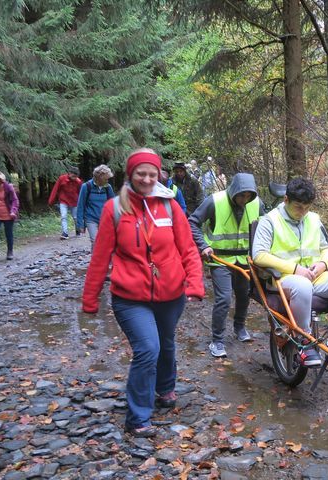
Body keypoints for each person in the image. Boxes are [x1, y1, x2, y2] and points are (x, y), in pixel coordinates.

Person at [82, 148, 204, 437]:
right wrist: (90, 299)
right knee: (148, 349)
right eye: (141, 173)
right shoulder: (114, 209)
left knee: (166, 342)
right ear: (131, 175)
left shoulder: (170, 206)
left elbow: (187, 248)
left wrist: (195, 283)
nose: (147, 179)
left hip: (171, 293)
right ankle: (138, 417)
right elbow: (100, 258)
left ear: (158, 174)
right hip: (130, 296)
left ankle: (165, 388)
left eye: (152, 173)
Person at [252, 177, 328, 367]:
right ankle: (304, 339)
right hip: (283, 279)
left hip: (313, 275)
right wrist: (295, 269)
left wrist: (322, 265)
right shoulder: (270, 221)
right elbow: (259, 255)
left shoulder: (314, 219)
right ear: (286, 200)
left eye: (307, 207)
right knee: (302, 286)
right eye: (298, 207)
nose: (303, 212)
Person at [189, 173, 264, 358]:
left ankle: (239, 327)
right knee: (223, 299)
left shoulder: (256, 204)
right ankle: (218, 340)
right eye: (241, 196)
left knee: (244, 295)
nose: (244, 200)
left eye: (248, 196)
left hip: (245, 260)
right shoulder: (214, 201)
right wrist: (203, 245)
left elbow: (266, 227)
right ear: (233, 191)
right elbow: (193, 223)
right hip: (220, 259)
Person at [76, 164, 115, 248]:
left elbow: (113, 204)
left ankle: (102, 259)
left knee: (105, 242)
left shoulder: (107, 187)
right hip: (91, 219)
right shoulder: (86, 186)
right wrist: (80, 224)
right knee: (95, 240)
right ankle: (96, 260)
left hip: (104, 219)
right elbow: (80, 205)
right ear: (99, 177)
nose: (107, 181)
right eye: (106, 179)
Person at [49, 166, 82, 239]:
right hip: (63, 201)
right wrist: (51, 200)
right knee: (63, 216)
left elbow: (81, 193)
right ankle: (65, 233)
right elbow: (55, 189)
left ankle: (78, 230)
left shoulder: (78, 181)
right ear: (69, 173)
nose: (74, 178)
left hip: (74, 202)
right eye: (73, 176)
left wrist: (82, 203)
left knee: (75, 217)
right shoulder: (62, 179)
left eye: (76, 176)